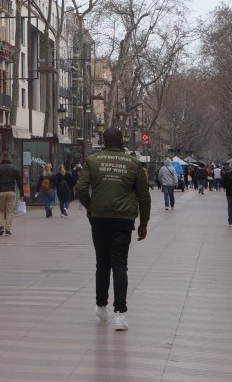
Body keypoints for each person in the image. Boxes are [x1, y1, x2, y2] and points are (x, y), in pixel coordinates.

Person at [76, 127, 151, 332]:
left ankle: (101, 306)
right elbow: (144, 196)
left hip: (99, 218)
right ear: (121, 142)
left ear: (104, 140)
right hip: (123, 220)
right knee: (120, 266)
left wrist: (91, 207)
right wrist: (143, 223)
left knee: (102, 264)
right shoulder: (134, 164)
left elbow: (81, 189)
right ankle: (120, 314)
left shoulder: (92, 161)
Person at [0, 152, 24, 236]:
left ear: (2, 157)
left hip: (1, 191)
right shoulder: (14, 168)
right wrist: (22, 193)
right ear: (9, 158)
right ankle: (8, 229)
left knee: (1, 210)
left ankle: (1, 227)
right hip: (11, 192)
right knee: (10, 211)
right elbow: (19, 181)